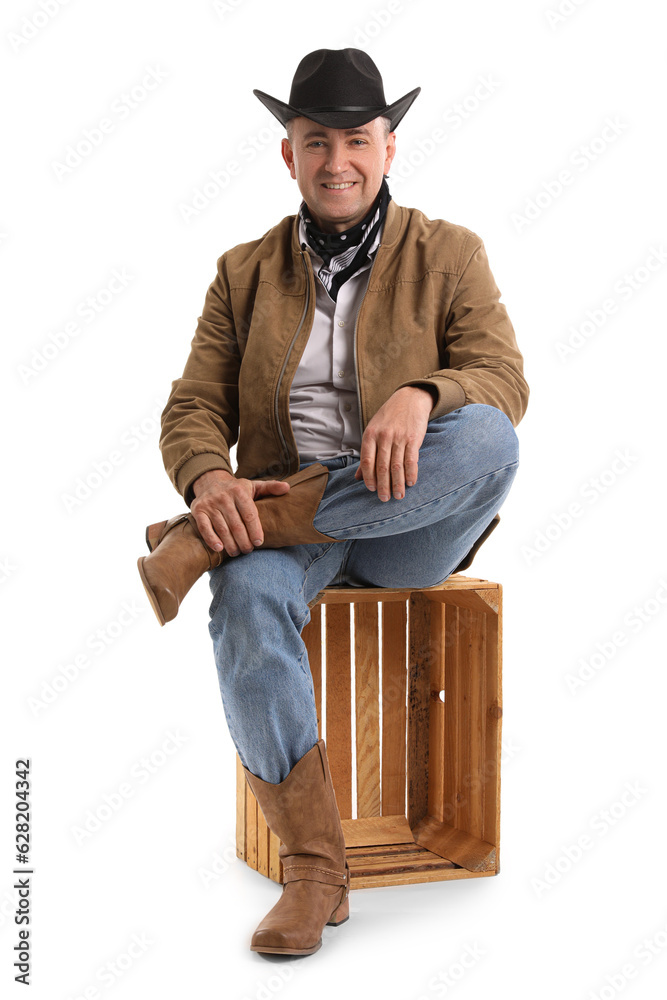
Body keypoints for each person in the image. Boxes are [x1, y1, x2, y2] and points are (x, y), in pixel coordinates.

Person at [137, 48, 529, 956]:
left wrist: (426, 393)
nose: (337, 160)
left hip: (407, 524)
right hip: (288, 525)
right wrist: (209, 479)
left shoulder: (450, 253)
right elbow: (193, 404)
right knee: (244, 597)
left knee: (489, 440)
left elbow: (503, 378)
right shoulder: (241, 272)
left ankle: (211, 540)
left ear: (389, 146)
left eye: (357, 138)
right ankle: (316, 870)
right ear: (289, 155)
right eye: (317, 141)